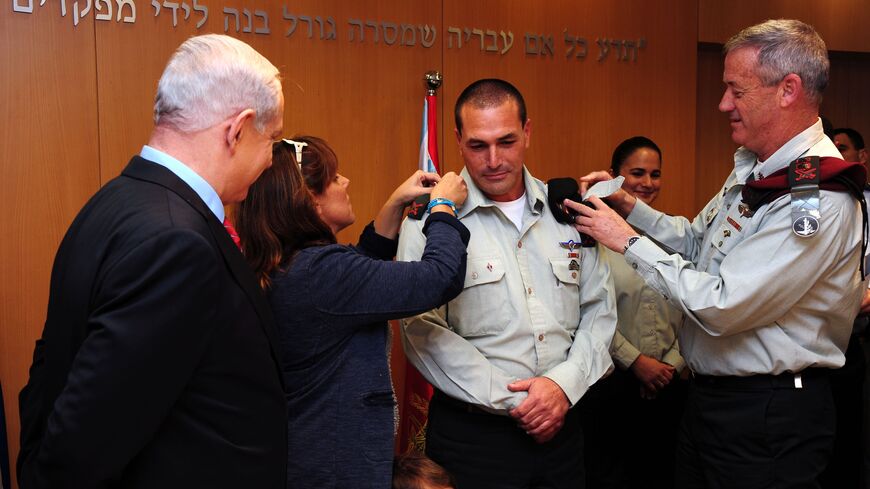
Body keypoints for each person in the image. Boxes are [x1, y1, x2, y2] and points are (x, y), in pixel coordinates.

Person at [567, 19, 868, 488]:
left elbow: (722, 304)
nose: (723, 104)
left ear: (788, 89)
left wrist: (625, 240)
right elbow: (697, 241)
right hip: (712, 403)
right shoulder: (757, 167)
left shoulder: (814, 194)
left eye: (736, 90)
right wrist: (631, 209)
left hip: (766, 415)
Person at [17, 34, 287, 489]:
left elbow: (52, 373)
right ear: (237, 130)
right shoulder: (178, 244)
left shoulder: (113, 201)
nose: (270, 161)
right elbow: (84, 442)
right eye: (272, 140)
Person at [397, 78, 617, 489]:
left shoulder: (566, 211)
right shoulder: (430, 220)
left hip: (563, 432)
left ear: (528, 132)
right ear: (459, 140)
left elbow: (600, 310)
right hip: (475, 439)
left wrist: (561, 388)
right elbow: (420, 328)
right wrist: (525, 402)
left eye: (507, 141)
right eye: (478, 145)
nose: (494, 159)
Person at [235, 136, 470, 489]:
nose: (345, 182)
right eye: (332, 178)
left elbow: (358, 277)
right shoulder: (320, 274)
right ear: (307, 200)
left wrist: (394, 204)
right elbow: (439, 278)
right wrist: (443, 208)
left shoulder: (296, 267)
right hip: (335, 470)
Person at [580, 136, 686, 489]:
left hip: (673, 383)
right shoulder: (590, 237)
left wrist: (672, 364)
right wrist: (637, 362)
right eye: (637, 173)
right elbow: (586, 310)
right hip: (612, 384)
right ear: (613, 176)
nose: (647, 183)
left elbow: (693, 306)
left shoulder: (677, 236)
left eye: (655, 174)